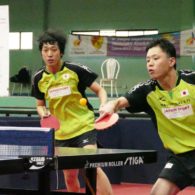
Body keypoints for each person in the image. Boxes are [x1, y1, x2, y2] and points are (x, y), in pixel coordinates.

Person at [99, 38, 195, 195]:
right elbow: (120, 102)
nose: (150, 63)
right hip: (180, 159)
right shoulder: (146, 90)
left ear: (171, 61)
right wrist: (111, 105)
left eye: (156, 58)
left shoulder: (192, 81)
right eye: (148, 60)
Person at [31, 29, 113, 195]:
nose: (49, 54)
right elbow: (39, 105)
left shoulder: (75, 70)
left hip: (84, 126)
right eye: (45, 50)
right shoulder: (39, 78)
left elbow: (100, 90)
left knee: (92, 167)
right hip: (61, 133)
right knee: (69, 176)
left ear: (61, 51)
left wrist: (103, 105)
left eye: (53, 50)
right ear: (41, 53)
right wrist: (43, 112)